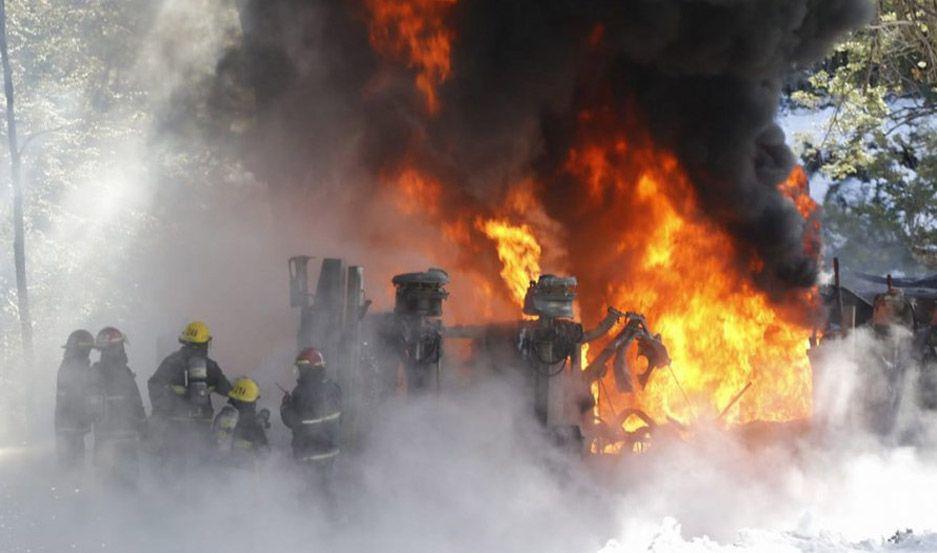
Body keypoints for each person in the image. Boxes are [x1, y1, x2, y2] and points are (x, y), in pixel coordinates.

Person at [148, 321, 232, 470]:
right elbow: (227, 389)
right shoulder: (210, 366)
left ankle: (170, 492)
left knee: (173, 469)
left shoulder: (171, 362)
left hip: (175, 426)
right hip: (201, 425)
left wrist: (165, 408)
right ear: (205, 343)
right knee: (202, 469)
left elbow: (154, 385)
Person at [87, 327, 146, 487]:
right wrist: (144, 429)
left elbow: (88, 410)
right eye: (120, 346)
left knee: (105, 483)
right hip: (125, 440)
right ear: (116, 348)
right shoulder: (123, 373)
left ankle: (108, 510)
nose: (123, 350)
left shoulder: (94, 372)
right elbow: (136, 404)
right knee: (128, 485)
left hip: (103, 439)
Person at [280, 347, 342, 496]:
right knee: (326, 491)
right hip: (330, 451)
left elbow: (294, 421)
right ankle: (333, 518)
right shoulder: (333, 387)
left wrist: (286, 406)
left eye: (301, 368)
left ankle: (310, 518)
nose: (300, 372)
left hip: (309, 453)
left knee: (308, 495)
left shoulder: (302, 392)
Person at [54, 329, 95, 469]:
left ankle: (74, 486)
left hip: (72, 428)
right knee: (72, 466)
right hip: (71, 428)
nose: (89, 353)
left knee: (74, 464)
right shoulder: (73, 367)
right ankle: (72, 488)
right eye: (87, 349)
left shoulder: (71, 365)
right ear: (81, 350)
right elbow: (78, 397)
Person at [211, 377, 270, 469]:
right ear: (250, 402)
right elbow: (264, 453)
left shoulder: (222, 416)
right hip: (245, 475)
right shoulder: (254, 426)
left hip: (220, 470)